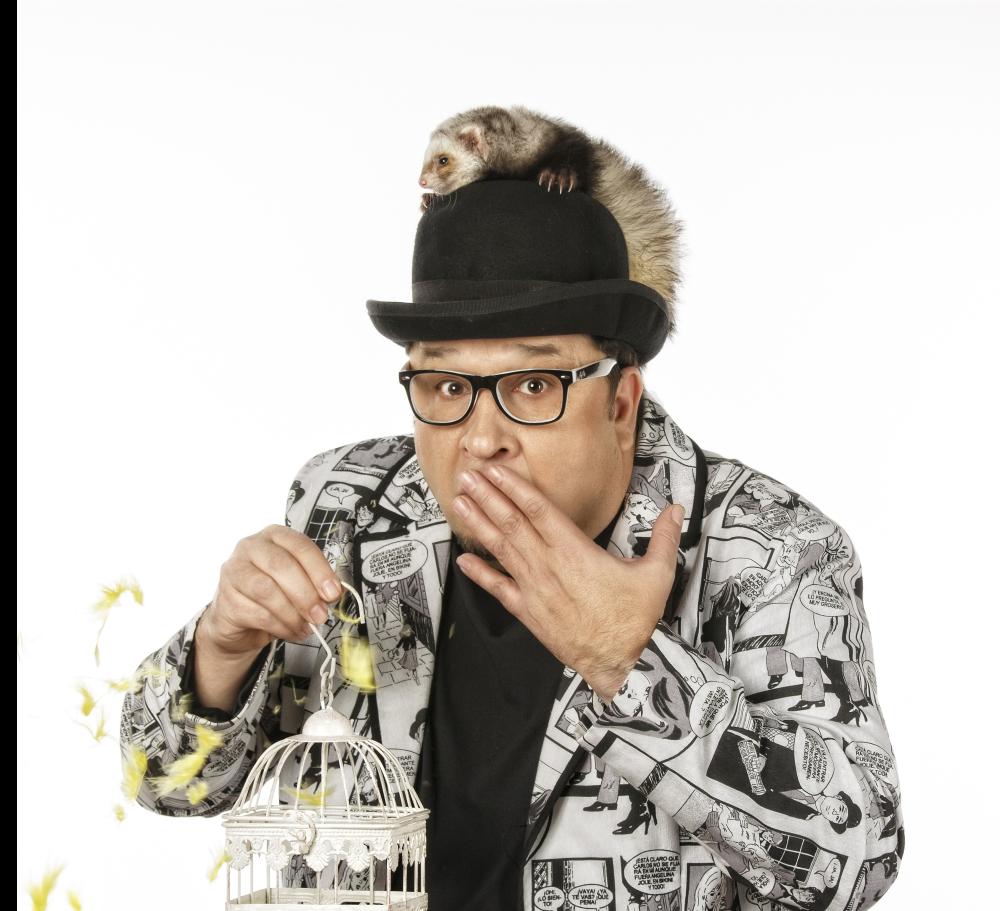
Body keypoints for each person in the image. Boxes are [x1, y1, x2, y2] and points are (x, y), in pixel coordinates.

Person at [119, 178, 903, 910]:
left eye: (533, 385)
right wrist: (222, 648)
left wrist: (628, 662)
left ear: (620, 402)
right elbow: (165, 783)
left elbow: (860, 859)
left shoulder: (774, 545)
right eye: (447, 386)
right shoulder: (343, 503)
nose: (480, 437)